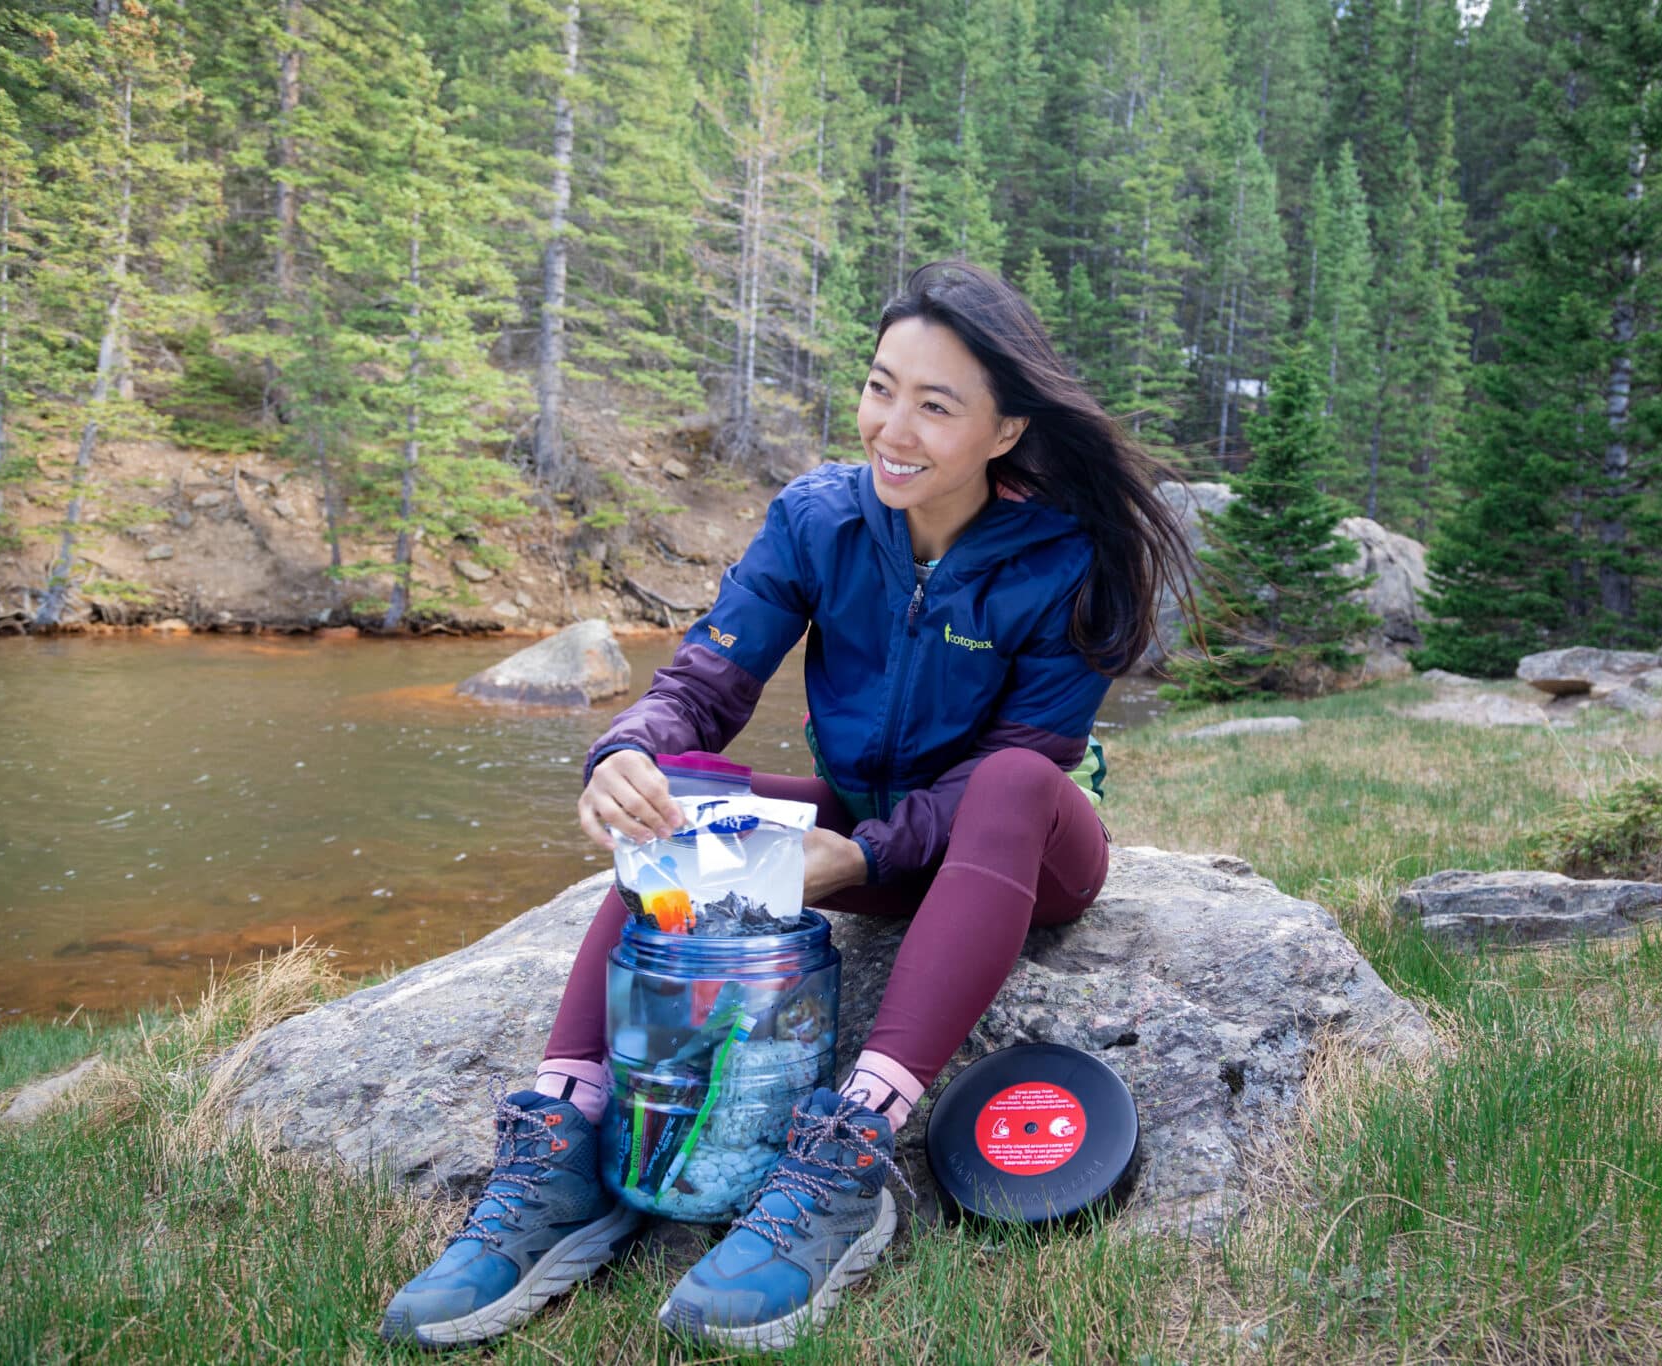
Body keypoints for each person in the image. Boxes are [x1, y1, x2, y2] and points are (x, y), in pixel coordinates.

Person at [380, 261, 1195, 1353]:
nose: (891, 428)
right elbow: (707, 684)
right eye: (879, 387)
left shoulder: (1066, 558)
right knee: (679, 803)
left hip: (1020, 849)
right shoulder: (818, 518)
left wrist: (856, 856)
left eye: (935, 405)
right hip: (857, 823)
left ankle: (849, 1153)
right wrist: (627, 754)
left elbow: (1022, 759)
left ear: (1004, 430)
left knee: (1008, 780)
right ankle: (566, 1145)